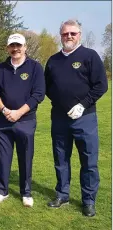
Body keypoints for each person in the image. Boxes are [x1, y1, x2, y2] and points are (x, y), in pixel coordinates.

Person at [45, 19, 108, 217]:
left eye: (73, 33)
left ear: (79, 35)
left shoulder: (90, 56)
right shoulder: (53, 60)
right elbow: (47, 88)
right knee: (61, 158)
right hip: (60, 118)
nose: (69, 36)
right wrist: (61, 104)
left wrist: (83, 104)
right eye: (65, 34)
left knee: (88, 161)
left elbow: (101, 85)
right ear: (60, 35)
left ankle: (88, 200)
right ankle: (62, 194)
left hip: (85, 118)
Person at [0, 33, 45, 207]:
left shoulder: (35, 67)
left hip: (25, 120)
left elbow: (38, 94)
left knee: (26, 156)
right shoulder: (1, 68)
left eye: (19, 45)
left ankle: (26, 192)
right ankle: (1, 190)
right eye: (12, 46)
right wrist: (5, 110)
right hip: (4, 119)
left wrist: (19, 113)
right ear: (7, 48)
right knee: (2, 156)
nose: (15, 49)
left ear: (25, 47)